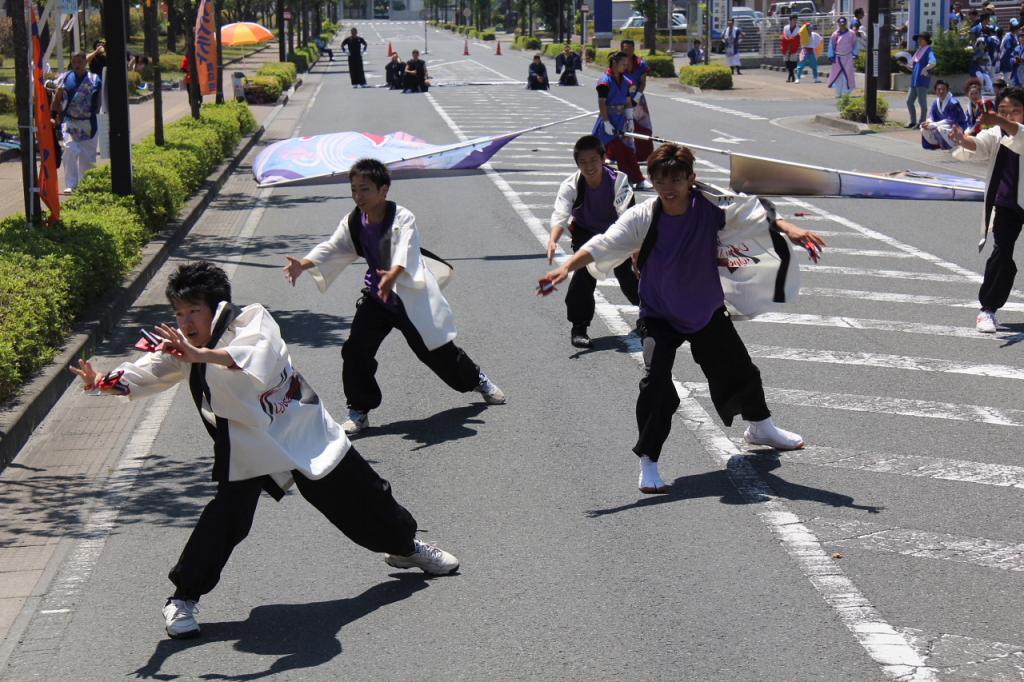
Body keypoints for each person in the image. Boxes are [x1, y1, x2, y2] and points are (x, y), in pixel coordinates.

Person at [69, 261, 460, 640]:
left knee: (365, 498)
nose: (186, 322)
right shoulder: (185, 346)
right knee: (225, 519)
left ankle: (407, 548)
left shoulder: (254, 321)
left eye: (194, 311)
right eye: (179, 312)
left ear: (217, 308)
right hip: (247, 446)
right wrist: (103, 381)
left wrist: (199, 356)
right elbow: (148, 371)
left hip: (303, 432)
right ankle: (184, 598)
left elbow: (253, 357)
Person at [541, 144, 825, 494]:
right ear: (651, 180)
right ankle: (648, 460)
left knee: (740, 369)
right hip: (659, 314)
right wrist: (566, 268)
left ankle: (760, 427)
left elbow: (751, 212)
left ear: (692, 178)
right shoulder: (645, 215)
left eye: (677, 178)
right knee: (656, 385)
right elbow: (604, 243)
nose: (669, 187)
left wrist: (790, 229)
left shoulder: (709, 207)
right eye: (660, 180)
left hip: (704, 308)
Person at [282, 159, 506, 436]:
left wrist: (393, 274)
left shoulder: (402, 217)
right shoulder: (354, 219)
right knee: (355, 351)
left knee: (437, 351)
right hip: (377, 299)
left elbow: (405, 250)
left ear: (383, 190)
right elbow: (334, 246)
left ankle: (477, 380)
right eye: (354, 190)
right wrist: (303, 264)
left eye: (364, 190)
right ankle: (359, 410)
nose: (358, 196)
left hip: (408, 299)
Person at [547, 135, 639, 348]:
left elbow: (630, 218)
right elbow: (560, 214)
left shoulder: (619, 181)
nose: (589, 166)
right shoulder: (571, 185)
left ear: (603, 159)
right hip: (586, 233)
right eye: (583, 162)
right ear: (577, 163)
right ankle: (579, 326)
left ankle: (649, 316)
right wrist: (553, 240)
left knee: (629, 274)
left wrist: (635, 251)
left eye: (593, 160)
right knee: (583, 275)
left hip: (618, 232)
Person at [950, 87, 1024, 333]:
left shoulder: (1016, 130)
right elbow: (979, 145)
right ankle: (987, 309)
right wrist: (963, 139)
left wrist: (1000, 120)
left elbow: (1020, 137)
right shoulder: (996, 132)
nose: (1009, 116)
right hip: (1007, 204)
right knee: (1001, 254)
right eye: (1004, 111)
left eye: (1016, 111)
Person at [592, 51, 650, 191]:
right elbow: (602, 102)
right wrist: (606, 122)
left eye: (627, 64)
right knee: (596, 153)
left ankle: (637, 179)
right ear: (614, 63)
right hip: (607, 120)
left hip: (621, 120)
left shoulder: (625, 81)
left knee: (627, 151)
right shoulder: (605, 81)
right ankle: (593, 179)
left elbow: (628, 101)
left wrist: (630, 119)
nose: (626, 67)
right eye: (623, 64)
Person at [52, 51, 101, 193]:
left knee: (87, 156)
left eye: (80, 61)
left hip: (89, 123)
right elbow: (57, 98)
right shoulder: (65, 77)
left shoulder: (94, 79)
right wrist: (53, 115)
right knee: (69, 150)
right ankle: (71, 184)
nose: (77, 64)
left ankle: (85, 184)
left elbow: (101, 99)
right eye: (74, 62)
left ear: (86, 62)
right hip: (70, 121)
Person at [621, 39, 655, 163]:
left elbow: (643, 82)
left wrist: (637, 97)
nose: (628, 52)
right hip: (621, 99)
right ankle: (622, 154)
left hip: (638, 99)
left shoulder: (640, 63)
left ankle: (644, 155)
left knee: (644, 127)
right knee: (622, 127)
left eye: (630, 49)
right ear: (621, 50)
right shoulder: (618, 63)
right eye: (625, 50)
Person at [921, 79, 967, 149]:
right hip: (941, 125)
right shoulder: (935, 102)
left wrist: (933, 125)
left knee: (941, 128)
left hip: (957, 126)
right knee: (923, 127)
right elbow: (931, 116)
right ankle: (935, 144)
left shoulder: (953, 103)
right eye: (938, 89)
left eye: (943, 89)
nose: (941, 91)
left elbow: (951, 120)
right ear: (935, 90)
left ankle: (950, 145)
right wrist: (928, 123)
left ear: (948, 90)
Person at [905, 31, 936, 128]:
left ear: (926, 40)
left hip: (922, 80)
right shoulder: (919, 51)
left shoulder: (929, 50)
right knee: (909, 101)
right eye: (918, 39)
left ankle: (921, 122)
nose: (919, 41)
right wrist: (904, 65)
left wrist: (925, 68)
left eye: (921, 39)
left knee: (922, 102)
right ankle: (913, 121)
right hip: (914, 80)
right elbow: (913, 67)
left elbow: (933, 62)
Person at [827, 16, 859, 98]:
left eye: (843, 23)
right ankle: (838, 92)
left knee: (847, 75)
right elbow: (831, 45)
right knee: (838, 76)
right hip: (838, 57)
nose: (842, 24)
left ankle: (846, 92)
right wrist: (831, 56)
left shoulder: (851, 33)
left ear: (846, 23)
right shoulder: (835, 34)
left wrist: (855, 54)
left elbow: (855, 44)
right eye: (840, 23)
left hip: (848, 57)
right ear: (838, 23)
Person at [781, 15, 801, 83]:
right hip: (786, 46)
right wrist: (789, 40)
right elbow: (784, 36)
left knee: (793, 63)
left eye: (796, 20)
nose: (795, 21)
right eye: (793, 20)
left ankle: (790, 77)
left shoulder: (798, 29)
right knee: (787, 62)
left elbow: (797, 39)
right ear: (790, 20)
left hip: (794, 47)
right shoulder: (785, 27)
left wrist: (791, 40)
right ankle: (792, 76)